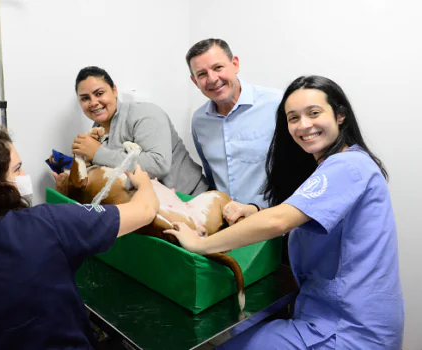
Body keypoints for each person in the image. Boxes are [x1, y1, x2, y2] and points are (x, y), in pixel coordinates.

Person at [165, 76, 404, 349]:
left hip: (346, 327)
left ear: (340, 116)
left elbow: (280, 220)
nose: (303, 125)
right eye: (293, 118)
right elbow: (302, 216)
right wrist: (254, 211)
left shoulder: (347, 166)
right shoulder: (337, 165)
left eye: (314, 113)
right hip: (330, 312)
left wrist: (200, 244)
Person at [0, 128, 159, 350]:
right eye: (17, 169)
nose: (24, 177)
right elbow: (145, 211)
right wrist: (144, 183)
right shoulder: (46, 225)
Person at [69, 66, 208, 196]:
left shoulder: (145, 114)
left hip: (191, 199)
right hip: (150, 207)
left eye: (99, 93)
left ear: (114, 90)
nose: (93, 102)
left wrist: (98, 153)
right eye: (85, 98)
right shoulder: (96, 129)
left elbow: (158, 165)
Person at [186, 38, 282, 212]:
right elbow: (212, 175)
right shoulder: (199, 121)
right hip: (225, 224)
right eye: (202, 74)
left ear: (235, 64)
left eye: (218, 68)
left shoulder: (277, 105)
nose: (212, 79)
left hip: (272, 225)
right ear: (195, 82)